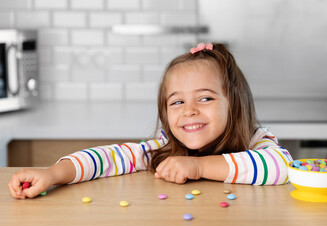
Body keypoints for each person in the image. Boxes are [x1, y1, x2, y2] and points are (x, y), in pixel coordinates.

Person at [8, 43, 293, 199]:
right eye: (177, 102)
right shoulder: (166, 147)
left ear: (236, 104)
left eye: (204, 98)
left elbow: (281, 168)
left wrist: (196, 166)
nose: (189, 111)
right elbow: (109, 157)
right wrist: (54, 174)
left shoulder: (257, 139)